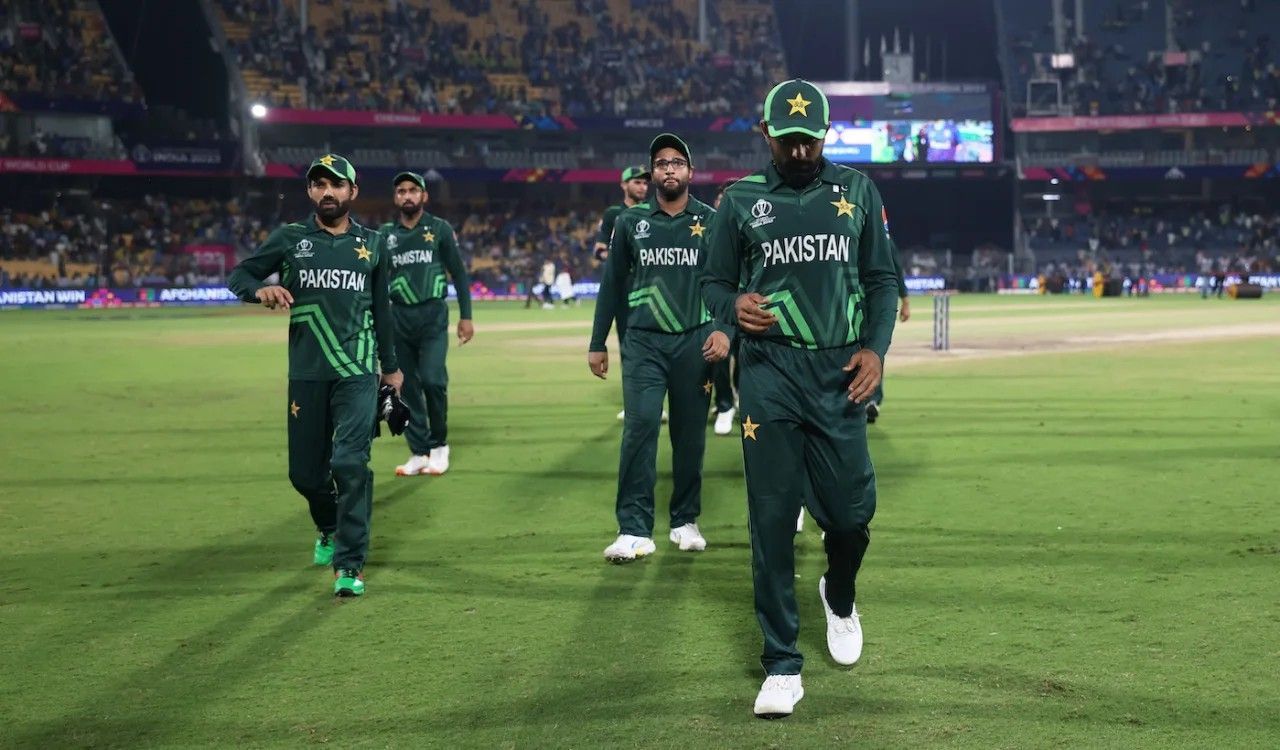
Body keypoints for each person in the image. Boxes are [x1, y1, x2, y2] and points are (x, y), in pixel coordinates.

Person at [701, 80, 899, 718]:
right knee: (770, 520)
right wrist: (732, 306)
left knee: (849, 518)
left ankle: (838, 596)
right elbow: (712, 281)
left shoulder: (858, 192)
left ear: (827, 132)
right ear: (765, 135)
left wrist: (875, 350)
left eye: (810, 139)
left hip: (840, 372)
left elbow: (881, 280)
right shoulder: (739, 201)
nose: (800, 151)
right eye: (788, 141)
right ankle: (782, 662)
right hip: (769, 375)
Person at [227, 153, 402, 598]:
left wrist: (393, 369)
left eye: (337, 185)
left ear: (352, 192)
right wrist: (259, 289)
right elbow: (240, 274)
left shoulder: (373, 243)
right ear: (309, 192)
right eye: (319, 184)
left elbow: (383, 309)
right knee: (304, 475)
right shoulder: (289, 238)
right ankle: (328, 526)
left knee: (349, 463)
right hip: (306, 373)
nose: (328, 192)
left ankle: (350, 563)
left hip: (358, 371)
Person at [588, 133, 730, 563]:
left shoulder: (711, 220)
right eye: (661, 163)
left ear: (690, 171)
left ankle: (685, 520)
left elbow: (728, 284)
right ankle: (633, 529)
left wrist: (725, 330)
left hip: (694, 341)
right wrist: (598, 343)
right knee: (639, 430)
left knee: (690, 438)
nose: (669, 169)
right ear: (652, 174)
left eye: (677, 162)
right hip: (644, 343)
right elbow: (612, 283)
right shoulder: (630, 223)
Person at [379, 171, 474, 478]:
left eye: (413, 190)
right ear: (396, 198)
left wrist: (466, 316)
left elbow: (458, 273)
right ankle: (419, 452)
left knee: (433, 381)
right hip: (398, 318)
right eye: (401, 191)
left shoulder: (439, 229)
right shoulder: (384, 235)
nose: (407, 195)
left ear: (424, 196)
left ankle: (439, 444)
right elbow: (377, 282)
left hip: (433, 314)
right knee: (405, 386)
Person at [866, 237, 911, 424]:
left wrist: (905, 300)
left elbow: (895, 271)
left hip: (873, 302)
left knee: (874, 350)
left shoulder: (882, 239)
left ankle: (872, 400)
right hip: (849, 303)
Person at [710, 179, 739, 436]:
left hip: (751, 304)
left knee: (747, 358)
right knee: (720, 357)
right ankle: (724, 405)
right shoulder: (706, 228)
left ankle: (737, 397)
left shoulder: (756, 225)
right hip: (721, 307)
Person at [593, 166, 651, 261]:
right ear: (624, 185)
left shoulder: (653, 212)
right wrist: (617, 259)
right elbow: (599, 250)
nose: (643, 187)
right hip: (622, 273)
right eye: (637, 182)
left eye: (645, 183)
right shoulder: (612, 213)